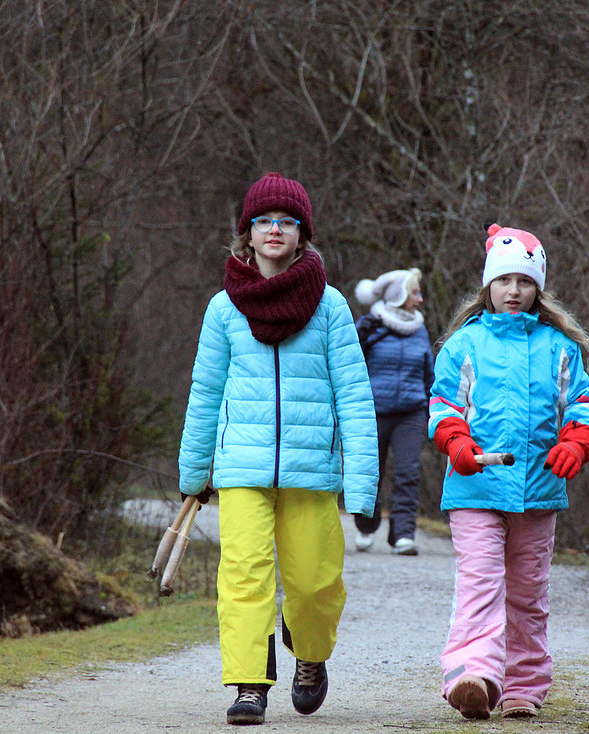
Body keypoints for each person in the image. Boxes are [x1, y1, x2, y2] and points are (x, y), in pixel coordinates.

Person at [177, 172, 379, 726]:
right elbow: (205, 391)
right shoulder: (223, 309)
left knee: (314, 583)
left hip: (311, 470)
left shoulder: (330, 307)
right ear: (247, 232)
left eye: (286, 222)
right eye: (263, 221)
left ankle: (309, 655)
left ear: (301, 234)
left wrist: (362, 481)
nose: (274, 230)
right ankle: (248, 682)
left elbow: (355, 397)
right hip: (241, 468)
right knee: (243, 574)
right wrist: (194, 470)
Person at [428, 223, 589, 720]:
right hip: (474, 485)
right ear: (488, 285)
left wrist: (577, 440)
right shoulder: (464, 346)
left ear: (537, 289)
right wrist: (456, 441)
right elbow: (442, 406)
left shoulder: (559, 348)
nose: (513, 290)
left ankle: (524, 686)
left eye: (524, 282)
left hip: (539, 490)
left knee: (528, 593)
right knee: (481, 583)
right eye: (504, 281)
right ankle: (473, 676)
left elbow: (584, 404)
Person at [351, 268, 434, 556]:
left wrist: (432, 405)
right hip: (373, 410)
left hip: (411, 412)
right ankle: (365, 526)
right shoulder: (370, 326)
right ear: (398, 294)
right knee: (369, 472)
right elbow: (349, 363)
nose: (420, 299)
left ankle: (403, 535)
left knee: (408, 472)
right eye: (414, 292)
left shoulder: (419, 328)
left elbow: (428, 372)